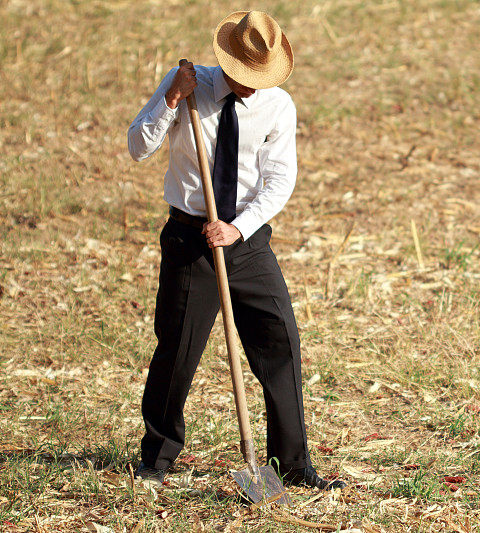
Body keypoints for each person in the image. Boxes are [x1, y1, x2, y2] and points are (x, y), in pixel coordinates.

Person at [126, 10, 344, 491]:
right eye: (243, 77)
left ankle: (292, 465)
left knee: (280, 339)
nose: (250, 87)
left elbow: (280, 179)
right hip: (189, 238)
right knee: (178, 351)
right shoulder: (187, 84)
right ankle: (157, 458)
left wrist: (238, 228)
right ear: (224, 62)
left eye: (258, 78)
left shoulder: (278, 106)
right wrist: (170, 100)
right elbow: (137, 147)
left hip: (246, 240)